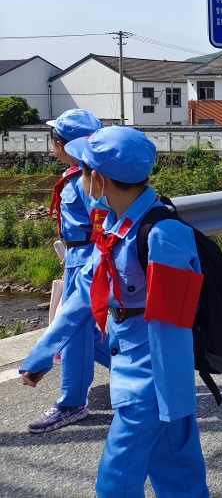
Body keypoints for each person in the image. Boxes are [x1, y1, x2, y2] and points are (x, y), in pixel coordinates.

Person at [20, 127, 211, 496]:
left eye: (85, 170)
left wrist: (170, 397)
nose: (81, 177)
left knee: (115, 483)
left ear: (100, 180)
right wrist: (40, 356)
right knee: (178, 475)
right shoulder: (116, 225)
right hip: (136, 366)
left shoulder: (161, 235)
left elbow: (172, 323)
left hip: (150, 380)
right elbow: (81, 296)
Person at [25, 109, 110, 434]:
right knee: (85, 329)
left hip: (85, 260)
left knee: (74, 330)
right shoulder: (83, 175)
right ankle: (146, 374)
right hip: (79, 257)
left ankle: (71, 403)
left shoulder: (83, 182)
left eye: (54, 139)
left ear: (63, 144)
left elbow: (103, 222)